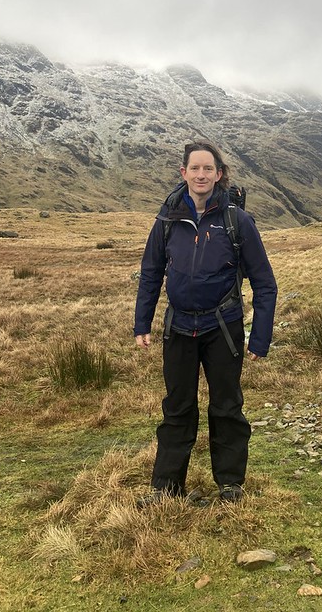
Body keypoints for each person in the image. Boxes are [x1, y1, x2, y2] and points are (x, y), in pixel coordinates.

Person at [134, 141, 277, 505]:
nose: (201, 175)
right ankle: (166, 488)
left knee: (226, 406)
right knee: (177, 408)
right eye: (195, 168)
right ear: (184, 173)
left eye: (208, 169)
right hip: (178, 327)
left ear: (218, 174)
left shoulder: (237, 221)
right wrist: (142, 323)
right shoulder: (167, 220)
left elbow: (265, 283)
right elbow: (151, 273)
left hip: (223, 327)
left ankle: (230, 485)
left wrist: (260, 337)